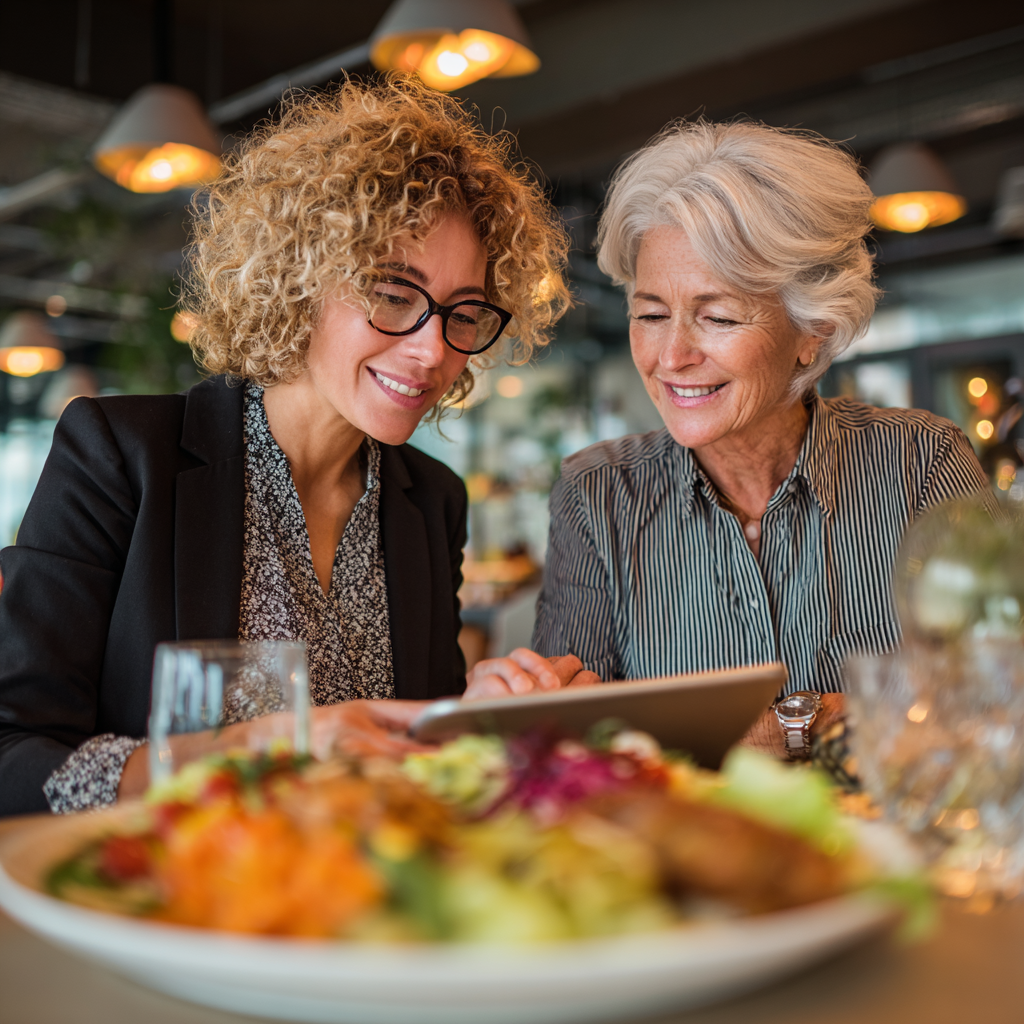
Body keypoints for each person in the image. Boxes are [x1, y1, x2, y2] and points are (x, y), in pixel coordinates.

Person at [0, 76, 595, 817]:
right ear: (298, 278)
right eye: (392, 294)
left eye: (463, 312)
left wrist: (473, 719)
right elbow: (14, 753)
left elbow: (402, 764)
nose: (432, 349)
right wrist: (252, 751)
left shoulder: (429, 502)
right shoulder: (121, 455)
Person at [531, 119, 990, 759]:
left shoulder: (921, 462)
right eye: (651, 314)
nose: (672, 356)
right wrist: (850, 714)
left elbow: (998, 691)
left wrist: (792, 724)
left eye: (717, 317)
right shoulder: (597, 492)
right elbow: (567, 740)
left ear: (813, 330)